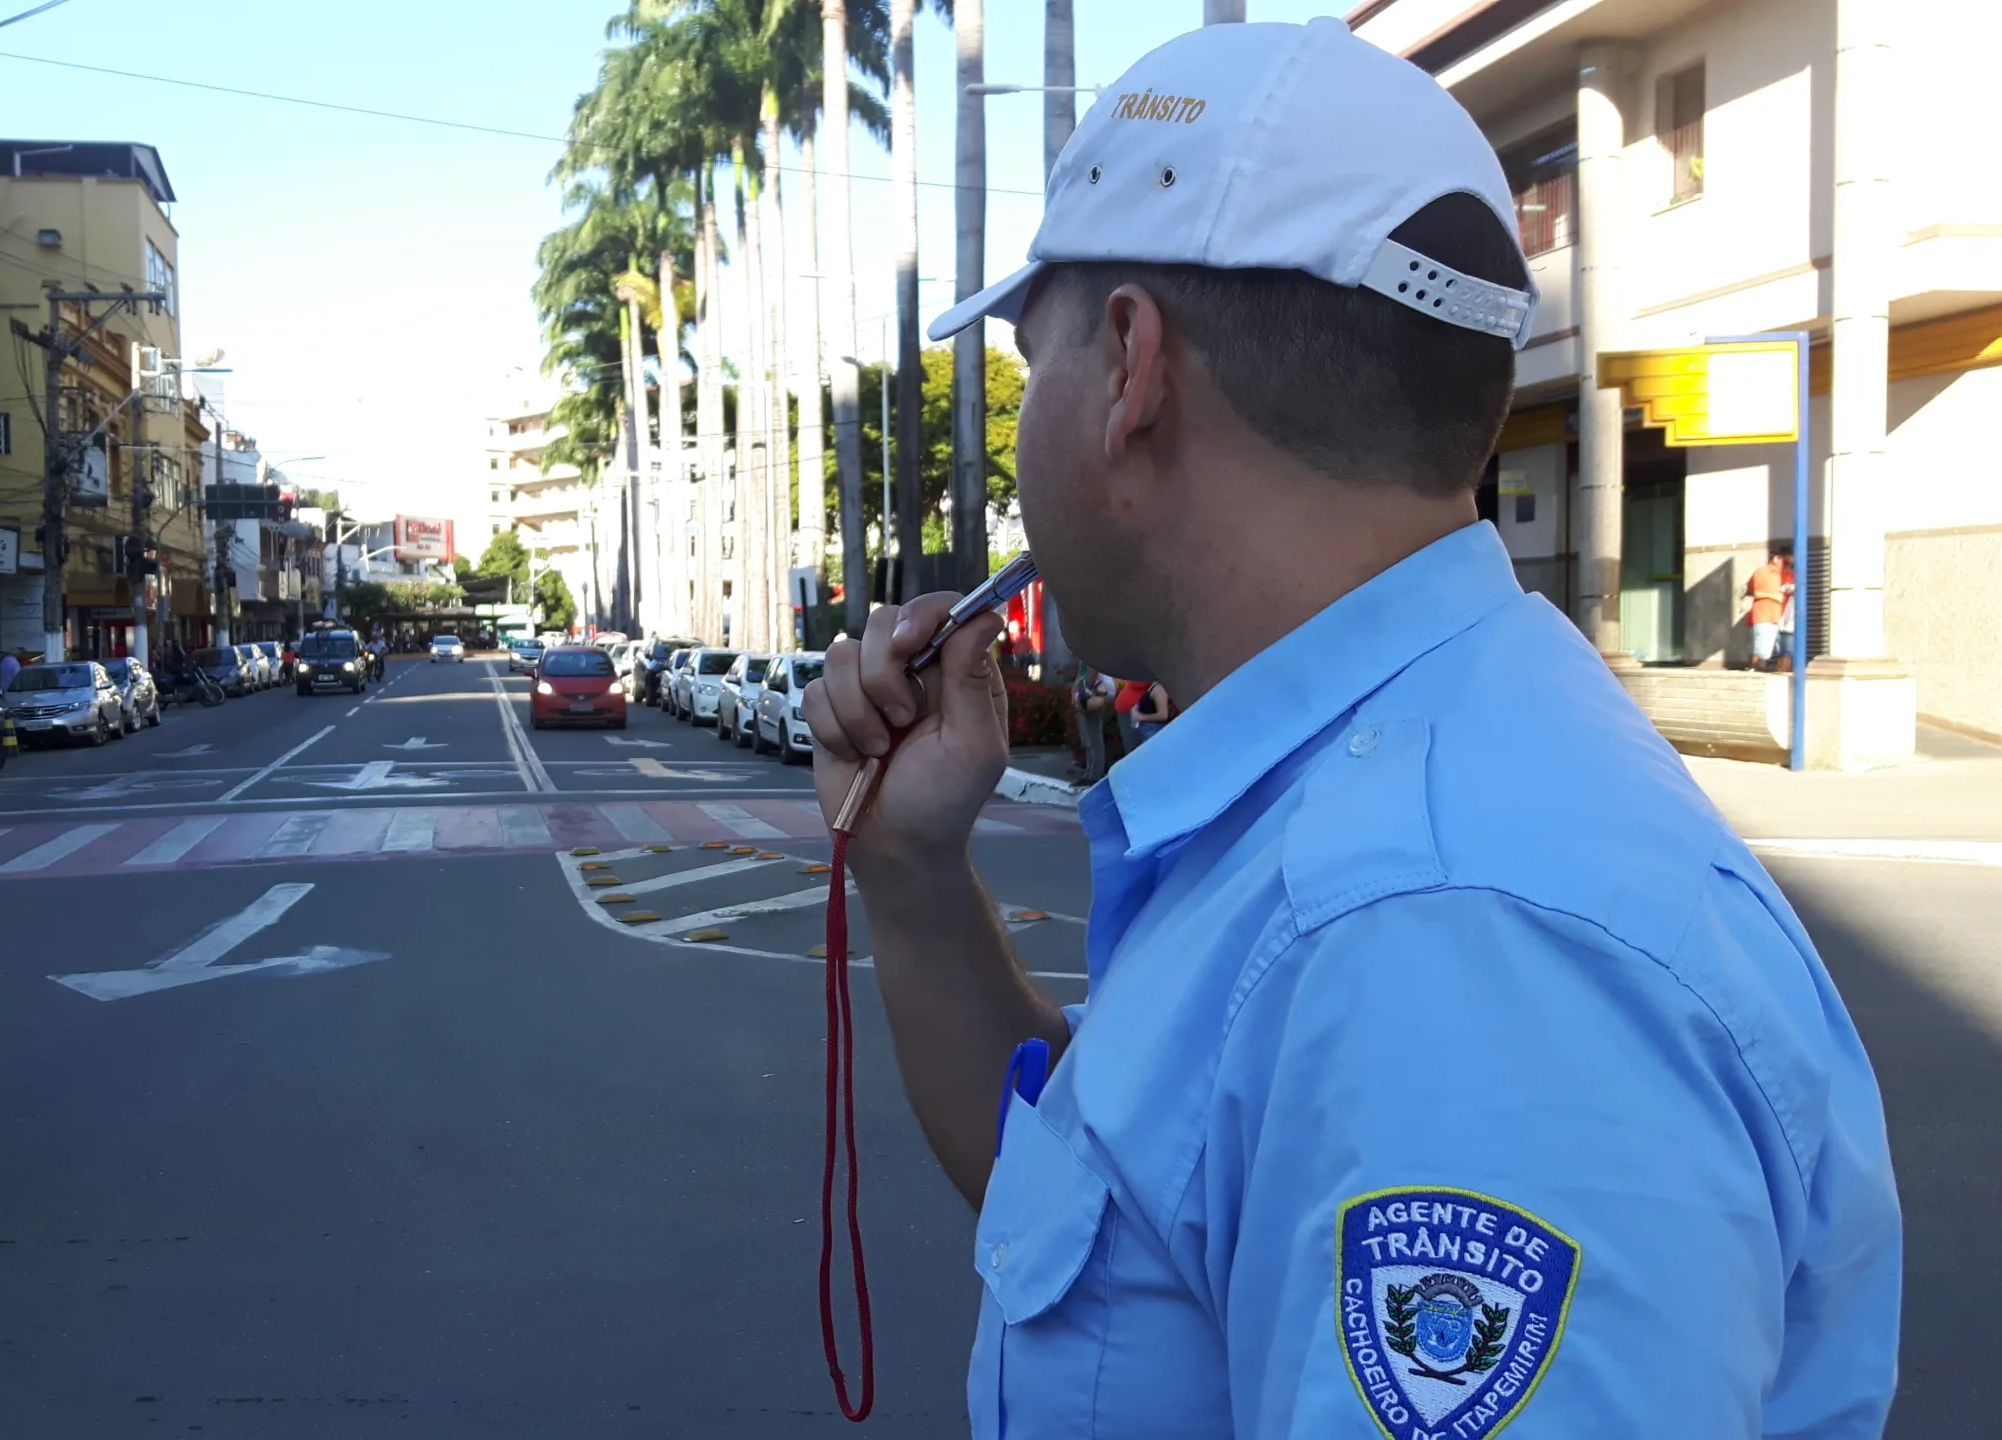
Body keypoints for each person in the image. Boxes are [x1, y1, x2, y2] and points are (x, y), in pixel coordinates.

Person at [805, 20, 1897, 1439]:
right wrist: (914, 876)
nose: (1021, 446)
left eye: (1035, 359)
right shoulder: (1373, 778)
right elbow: (1125, 1214)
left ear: (1131, 365)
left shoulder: (1440, 928)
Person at [1745, 545, 1793, 671]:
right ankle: (1752, 669)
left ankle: (1782, 678)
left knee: (1786, 651)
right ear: (1777, 559)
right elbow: (1754, 592)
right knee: (1763, 652)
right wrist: (1774, 596)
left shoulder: (1789, 574)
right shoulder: (1762, 572)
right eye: (1786, 562)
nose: (1787, 566)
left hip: (1784, 618)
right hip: (1765, 616)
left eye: (1790, 563)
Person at [1069, 662, 1114, 783]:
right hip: (1085, 693)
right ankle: (1089, 771)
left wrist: (1085, 689)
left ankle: (1095, 773)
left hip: (1091, 695)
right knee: (1088, 738)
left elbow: (1092, 669)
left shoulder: (1089, 652)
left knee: (1094, 738)